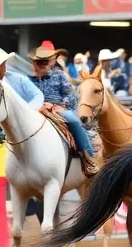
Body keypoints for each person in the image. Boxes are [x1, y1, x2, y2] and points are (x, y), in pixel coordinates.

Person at [27, 42, 98, 175]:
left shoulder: (59, 75)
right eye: (38, 61)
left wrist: (58, 106)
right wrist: (38, 106)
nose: (41, 64)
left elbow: (71, 97)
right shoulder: (28, 80)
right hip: (36, 112)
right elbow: (24, 101)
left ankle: (89, 157)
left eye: (44, 61)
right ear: (34, 63)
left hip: (58, 110)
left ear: (50, 62)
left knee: (74, 121)